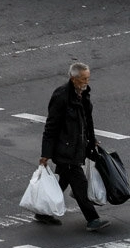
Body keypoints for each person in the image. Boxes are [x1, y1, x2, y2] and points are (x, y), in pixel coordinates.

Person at [38, 61, 110, 232]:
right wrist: (45, 154)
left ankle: (43, 211)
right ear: (73, 78)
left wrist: (92, 140)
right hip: (65, 150)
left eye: (88, 79)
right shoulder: (62, 96)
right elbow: (51, 126)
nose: (87, 82)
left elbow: (87, 122)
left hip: (77, 147)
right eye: (83, 79)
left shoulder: (83, 94)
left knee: (62, 181)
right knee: (80, 184)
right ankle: (92, 219)